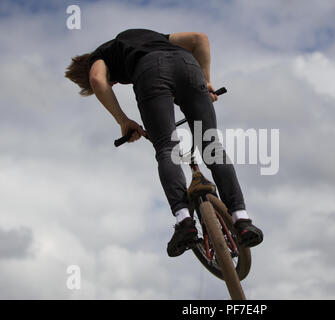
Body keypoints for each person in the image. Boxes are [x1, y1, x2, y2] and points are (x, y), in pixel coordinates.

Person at [65, 29, 263, 257]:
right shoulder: (141, 36)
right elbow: (200, 39)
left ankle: (184, 222)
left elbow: (97, 79)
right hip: (188, 66)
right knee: (211, 147)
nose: (115, 82)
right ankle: (242, 219)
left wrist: (124, 121)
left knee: (167, 150)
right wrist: (206, 81)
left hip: (150, 73)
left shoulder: (99, 58)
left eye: (115, 81)